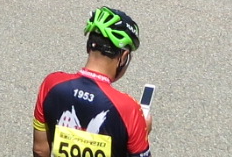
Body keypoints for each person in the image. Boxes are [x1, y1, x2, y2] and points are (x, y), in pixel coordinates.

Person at [32, 8, 151, 157]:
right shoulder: (129, 109)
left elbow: (39, 149)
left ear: (88, 46)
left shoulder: (51, 84)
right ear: (123, 56)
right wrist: (144, 127)